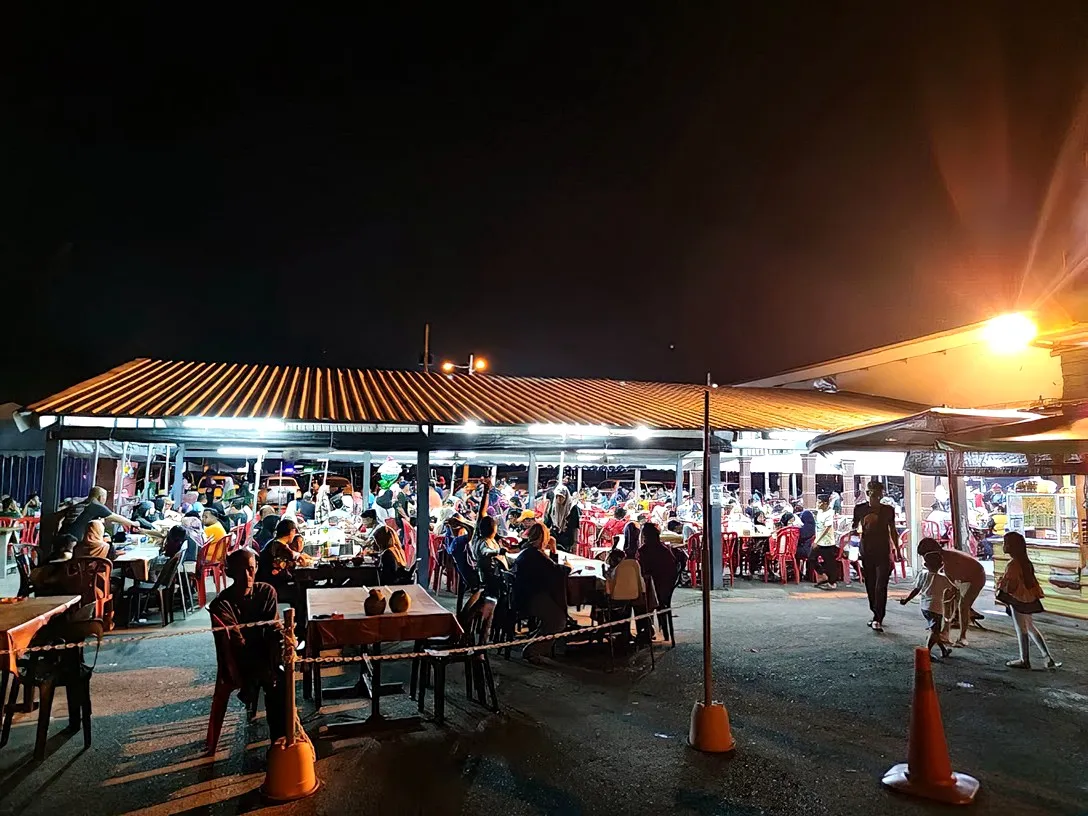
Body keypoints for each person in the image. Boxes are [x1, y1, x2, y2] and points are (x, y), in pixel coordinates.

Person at [208, 548, 286, 745]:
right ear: (230, 572)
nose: (247, 575)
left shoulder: (266, 591)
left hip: (265, 653)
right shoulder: (222, 604)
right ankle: (279, 741)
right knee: (274, 680)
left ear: (257, 568)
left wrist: (284, 641)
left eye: (251, 569)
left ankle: (281, 740)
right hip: (238, 660)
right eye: (240, 570)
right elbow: (236, 642)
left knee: (280, 673)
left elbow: (271, 628)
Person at [996, 531, 1060, 670]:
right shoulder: (1025, 562)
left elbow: (1011, 586)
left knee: (1021, 629)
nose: (1003, 546)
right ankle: (1047, 657)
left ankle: (1024, 659)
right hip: (1029, 598)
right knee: (1030, 627)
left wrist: (1000, 584)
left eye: (1005, 543)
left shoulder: (1013, 564)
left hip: (1018, 600)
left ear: (1011, 546)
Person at [513, 521, 570, 662]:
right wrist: (566, 564)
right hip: (533, 598)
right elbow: (558, 571)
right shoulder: (536, 555)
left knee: (550, 620)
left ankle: (533, 643)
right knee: (559, 621)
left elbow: (551, 568)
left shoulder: (527, 551)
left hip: (523, 595)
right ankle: (532, 649)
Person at [918, 537, 986, 646]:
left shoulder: (949, 562)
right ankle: (945, 631)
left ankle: (962, 637)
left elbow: (953, 586)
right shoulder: (942, 560)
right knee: (946, 598)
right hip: (961, 578)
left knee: (963, 605)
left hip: (976, 576)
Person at [852, 480, 897, 632]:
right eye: (873, 493)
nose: (876, 497)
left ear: (882, 494)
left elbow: (893, 530)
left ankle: (879, 617)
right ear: (868, 493)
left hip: (883, 551)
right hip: (867, 551)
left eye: (878, 494)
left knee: (880, 586)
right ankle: (875, 612)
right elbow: (854, 527)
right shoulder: (859, 509)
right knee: (870, 584)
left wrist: (896, 549)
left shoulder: (888, 510)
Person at [899, 550, 955, 659]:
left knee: (935, 631)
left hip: (925, 607)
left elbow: (916, 590)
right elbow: (953, 590)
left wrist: (906, 600)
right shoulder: (944, 579)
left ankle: (943, 650)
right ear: (941, 565)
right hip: (936, 608)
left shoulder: (923, 575)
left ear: (925, 565)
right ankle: (926, 653)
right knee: (934, 631)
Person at [636, 522, 675, 636]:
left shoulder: (644, 551)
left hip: (654, 591)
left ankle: (645, 631)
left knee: (637, 601)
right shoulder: (665, 549)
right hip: (665, 590)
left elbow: (643, 571)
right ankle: (651, 630)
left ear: (644, 536)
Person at [61, 486, 140, 542]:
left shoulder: (83, 503)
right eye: (105, 498)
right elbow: (114, 517)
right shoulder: (95, 505)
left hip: (64, 535)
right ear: (100, 497)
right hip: (75, 539)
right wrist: (133, 523)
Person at [809, 495, 839, 589]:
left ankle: (832, 583)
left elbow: (826, 529)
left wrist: (817, 541)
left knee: (829, 563)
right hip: (818, 541)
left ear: (825, 503)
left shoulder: (830, 513)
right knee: (811, 558)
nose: (817, 504)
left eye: (819, 502)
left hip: (827, 542)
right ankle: (822, 575)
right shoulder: (819, 512)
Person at [545, 485, 580, 552]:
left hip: (567, 539)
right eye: (557, 496)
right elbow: (548, 522)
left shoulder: (572, 508)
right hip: (554, 537)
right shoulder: (553, 507)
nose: (559, 499)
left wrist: (575, 543)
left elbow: (575, 527)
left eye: (561, 497)